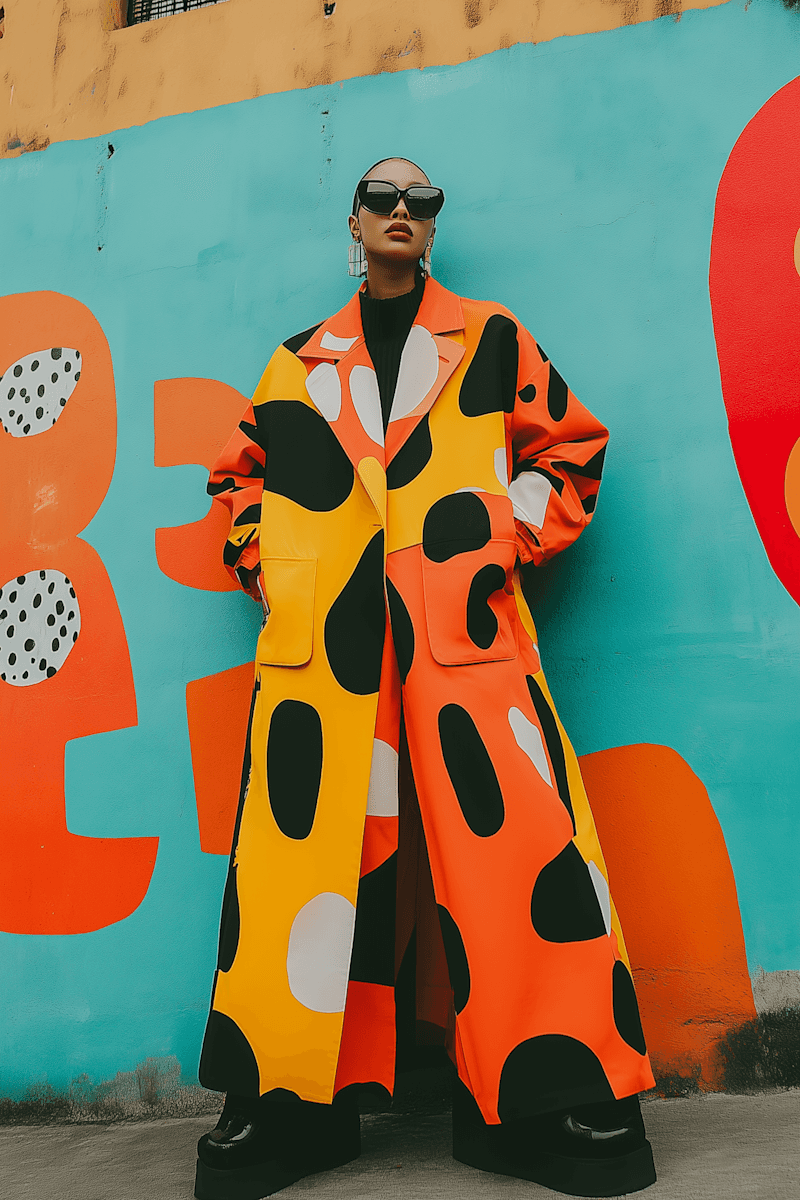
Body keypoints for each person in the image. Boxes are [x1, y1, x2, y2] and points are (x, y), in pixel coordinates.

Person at [194, 157, 657, 1200]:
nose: (402, 213)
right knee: (296, 864)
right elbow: (236, 482)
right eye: (383, 199)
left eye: (423, 201)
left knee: (517, 847)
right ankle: (282, 1099)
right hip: (328, 656)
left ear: (434, 226)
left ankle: (548, 1091)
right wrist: (281, 573)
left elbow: (571, 451)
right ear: (353, 221)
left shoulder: (490, 339)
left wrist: (497, 542)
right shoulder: (295, 362)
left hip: (462, 638)